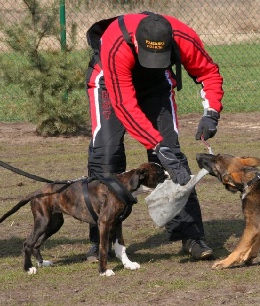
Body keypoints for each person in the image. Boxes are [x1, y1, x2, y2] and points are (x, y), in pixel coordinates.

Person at [84, 12, 224, 262]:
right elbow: (125, 106)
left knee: (173, 157)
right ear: (137, 43)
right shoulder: (116, 43)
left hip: (156, 85)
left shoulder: (183, 37)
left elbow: (208, 73)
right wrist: (157, 145)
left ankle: (190, 235)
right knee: (106, 154)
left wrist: (211, 113)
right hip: (110, 82)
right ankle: (100, 240)